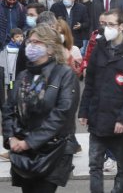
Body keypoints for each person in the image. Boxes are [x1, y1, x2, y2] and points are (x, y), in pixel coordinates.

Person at [78, 9, 123, 193]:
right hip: (97, 117)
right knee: (95, 164)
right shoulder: (100, 46)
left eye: (111, 25)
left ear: (122, 27)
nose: (106, 28)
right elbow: (90, 82)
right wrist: (84, 111)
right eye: (104, 24)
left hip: (120, 121)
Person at [1, 24, 80, 193]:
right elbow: (9, 108)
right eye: (30, 41)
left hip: (52, 150)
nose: (30, 46)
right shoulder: (23, 75)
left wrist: (30, 142)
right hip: (23, 151)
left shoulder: (64, 74)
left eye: (37, 42)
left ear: (51, 49)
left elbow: (62, 114)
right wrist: (10, 138)